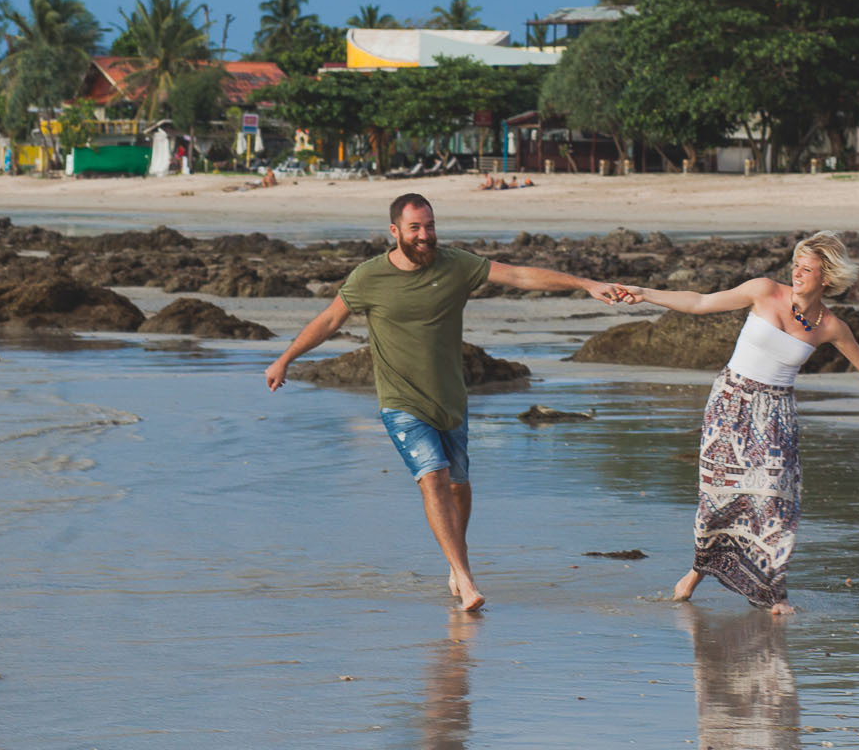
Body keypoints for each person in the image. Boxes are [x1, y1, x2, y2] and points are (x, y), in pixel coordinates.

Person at [265, 193, 622, 612]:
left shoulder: (456, 265)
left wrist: (587, 285)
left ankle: (457, 562)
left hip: (450, 398)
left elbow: (521, 276)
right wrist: (286, 358)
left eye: (430, 226)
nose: (425, 235)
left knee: (459, 486)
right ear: (395, 231)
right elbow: (329, 320)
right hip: (400, 401)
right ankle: (466, 579)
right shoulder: (368, 278)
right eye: (415, 228)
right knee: (432, 477)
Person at [613, 232, 859, 614]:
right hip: (731, 401)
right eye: (796, 266)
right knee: (721, 496)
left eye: (807, 269)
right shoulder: (764, 291)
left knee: (775, 500)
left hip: (777, 412)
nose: (797, 273)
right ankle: (697, 572)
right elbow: (701, 302)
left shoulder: (830, 325)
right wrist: (644, 293)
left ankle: (771, 592)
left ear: (826, 278)